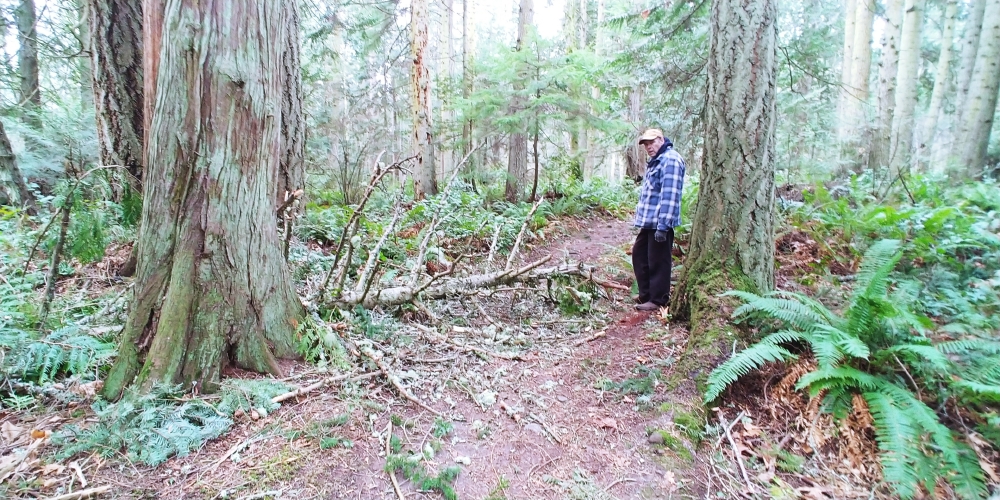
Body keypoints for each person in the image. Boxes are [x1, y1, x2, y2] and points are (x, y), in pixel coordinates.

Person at [632, 128, 685, 311]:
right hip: (649, 222)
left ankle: (658, 299)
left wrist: (663, 226)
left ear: (661, 140)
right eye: (646, 144)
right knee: (640, 255)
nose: (648, 147)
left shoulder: (671, 160)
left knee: (658, 261)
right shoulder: (657, 161)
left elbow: (670, 196)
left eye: (652, 142)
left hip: (660, 222)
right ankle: (646, 294)